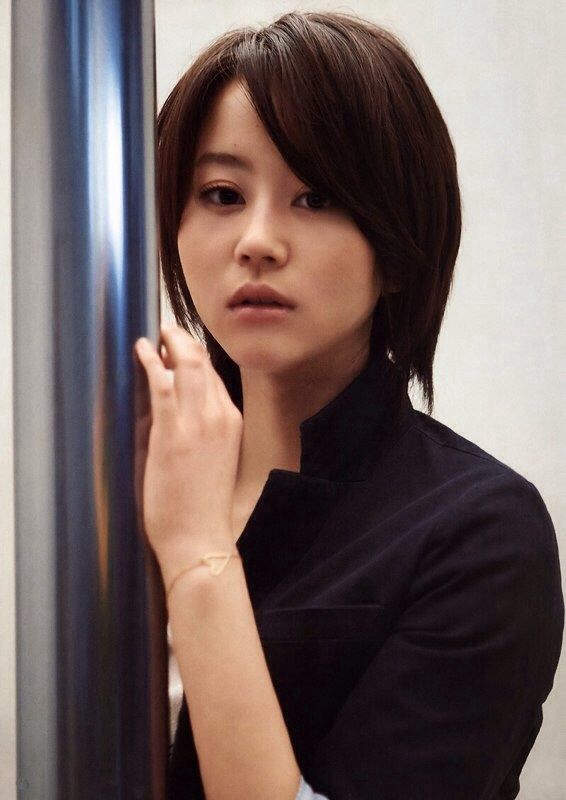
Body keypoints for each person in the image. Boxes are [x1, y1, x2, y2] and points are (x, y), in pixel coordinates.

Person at [132, 10, 564, 800]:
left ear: (398, 248)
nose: (257, 240)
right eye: (222, 193)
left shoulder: (482, 532)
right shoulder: (111, 473)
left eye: (316, 197)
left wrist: (198, 555)